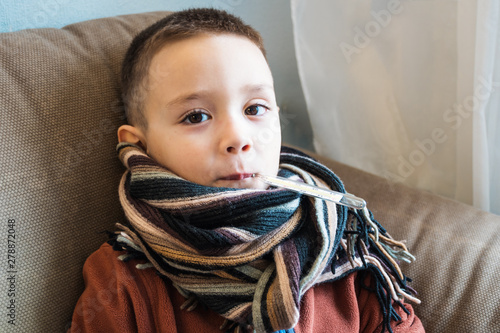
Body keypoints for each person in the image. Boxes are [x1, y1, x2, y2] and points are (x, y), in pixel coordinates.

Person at [68, 8, 424, 333]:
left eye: (255, 109)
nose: (238, 138)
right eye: (196, 116)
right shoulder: (123, 279)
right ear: (140, 147)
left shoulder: (343, 242)